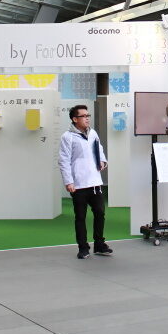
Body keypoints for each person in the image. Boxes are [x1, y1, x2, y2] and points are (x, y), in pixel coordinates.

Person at [58, 104, 111, 259]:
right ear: (75, 119)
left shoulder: (93, 133)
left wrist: (103, 161)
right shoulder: (67, 137)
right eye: (83, 116)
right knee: (80, 217)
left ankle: (99, 244)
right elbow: (63, 161)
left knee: (100, 213)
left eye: (88, 116)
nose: (87, 118)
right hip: (78, 184)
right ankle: (83, 247)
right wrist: (69, 182)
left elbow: (99, 149)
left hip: (95, 182)